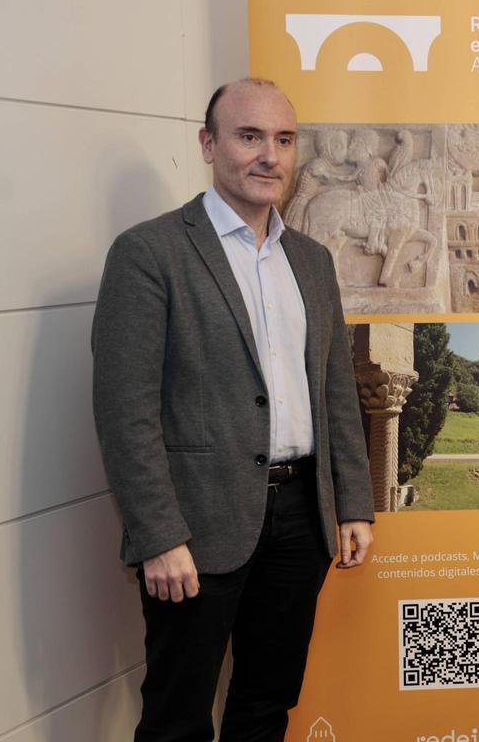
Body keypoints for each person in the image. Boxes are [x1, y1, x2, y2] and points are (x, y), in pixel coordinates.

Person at [91, 78, 375, 741]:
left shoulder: (311, 260)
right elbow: (125, 411)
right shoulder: (149, 254)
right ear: (208, 144)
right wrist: (157, 534)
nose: (269, 156)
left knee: (265, 706)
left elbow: (336, 387)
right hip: (195, 526)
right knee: (177, 718)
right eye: (249, 137)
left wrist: (353, 502)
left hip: (302, 521)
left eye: (283, 140)